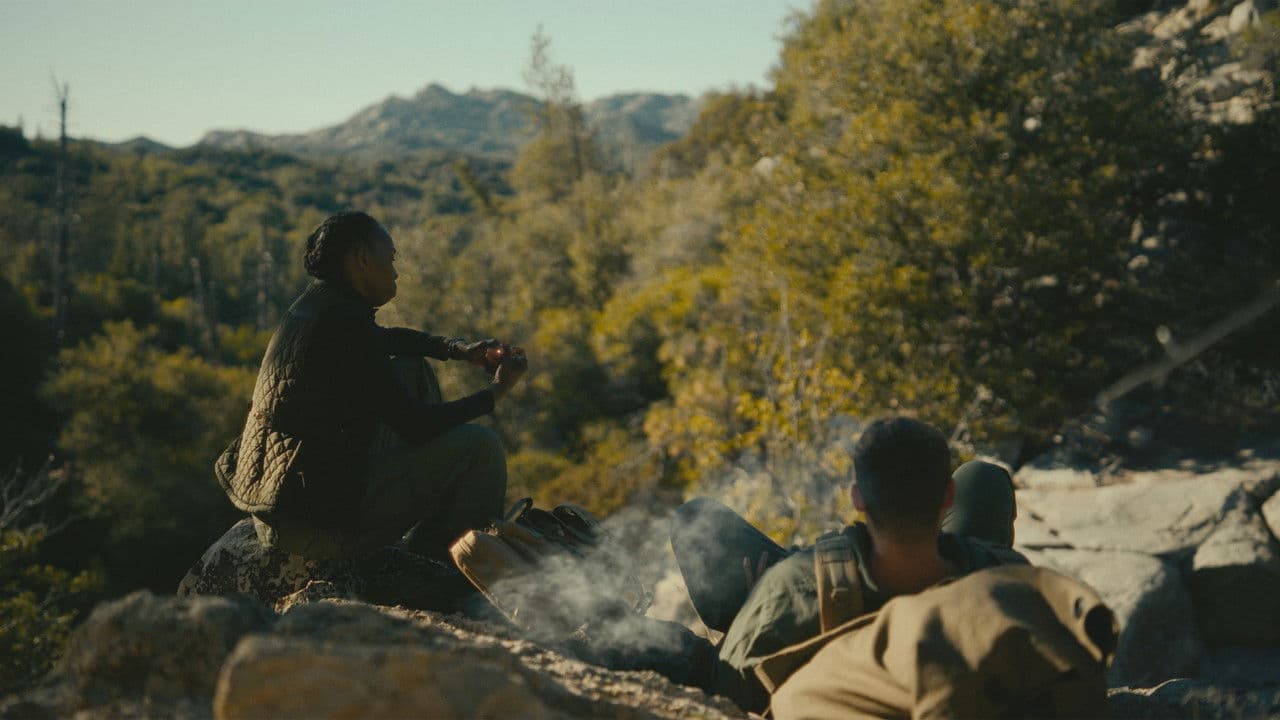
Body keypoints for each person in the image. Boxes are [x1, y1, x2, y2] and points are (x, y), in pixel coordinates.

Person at [217, 210, 526, 563]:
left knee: (413, 369)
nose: (395, 272)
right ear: (362, 260)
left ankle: (434, 521)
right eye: (390, 259)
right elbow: (415, 424)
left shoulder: (319, 305)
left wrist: (457, 349)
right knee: (480, 447)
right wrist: (496, 392)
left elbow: (384, 340)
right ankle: (445, 556)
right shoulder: (340, 322)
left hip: (291, 506)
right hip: (314, 529)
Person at [671, 416, 1026, 713]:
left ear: (857, 498)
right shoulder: (1007, 574)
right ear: (947, 496)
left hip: (811, 614)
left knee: (695, 519)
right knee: (983, 478)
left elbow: (724, 691)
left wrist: (751, 613)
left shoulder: (788, 590)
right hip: (956, 584)